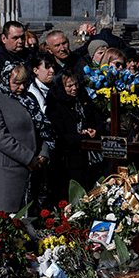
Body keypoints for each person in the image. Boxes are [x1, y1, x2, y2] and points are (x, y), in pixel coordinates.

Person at [0, 63, 51, 214]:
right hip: (10, 170)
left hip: (35, 169)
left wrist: (44, 154)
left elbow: (43, 128)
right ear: (6, 80)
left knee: (34, 220)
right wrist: (28, 158)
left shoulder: (29, 99)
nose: (21, 87)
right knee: (9, 220)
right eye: (17, 83)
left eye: (24, 83)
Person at [47, 68, 105, 196]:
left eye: (76, 84)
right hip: (70, 160)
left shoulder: (83, 98)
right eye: (69, 86)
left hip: (91, 158)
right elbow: (60, 136)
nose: (74, 88)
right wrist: (82, 137)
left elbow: (98, 119)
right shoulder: (55, 105)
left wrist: (95, 131)